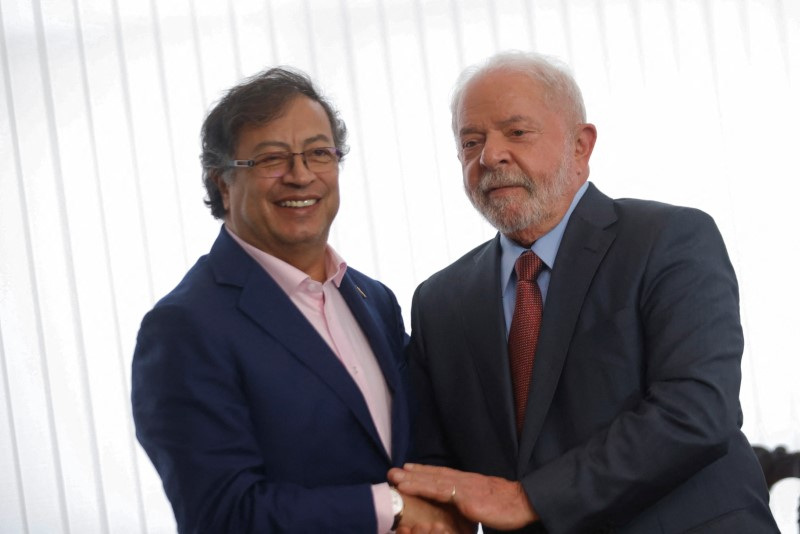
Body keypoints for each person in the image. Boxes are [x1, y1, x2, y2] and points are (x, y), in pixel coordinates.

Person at [388, 51, 779, 533]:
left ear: (580, 145)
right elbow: (440, 463)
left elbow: (697, 411)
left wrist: (528, 498)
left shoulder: (669, 238)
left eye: (516, 132)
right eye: (471, 142)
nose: (490, 156)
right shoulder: (439, 302)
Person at [132, 67, 469, 533]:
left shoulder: (374, 299)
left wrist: (447, 503)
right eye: (272, 159)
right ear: (223, 184)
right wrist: (389, 508)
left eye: (318, 153)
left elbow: (422, 442)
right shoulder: (184, 328)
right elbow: (223, 515)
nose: (301, 175)